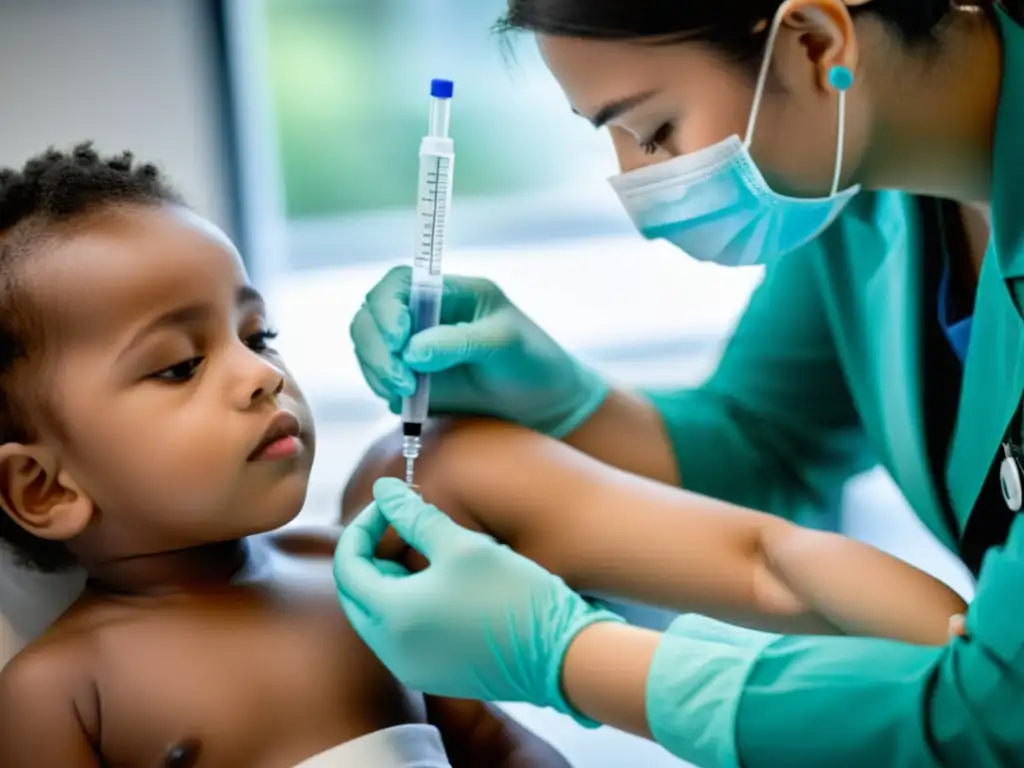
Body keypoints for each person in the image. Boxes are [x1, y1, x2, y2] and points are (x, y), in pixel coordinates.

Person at [337, 0, 1024, 765]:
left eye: (654, 131)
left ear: (814, 41)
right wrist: (563, 401)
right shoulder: (865, 195)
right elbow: (772, 452)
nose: (638, 189)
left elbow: (998, 715)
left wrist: (569, 658)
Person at [0, 145, 568, 768]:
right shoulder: (59, 690)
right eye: (180, 366)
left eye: (257, 336)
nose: (261, 374)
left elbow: (499, 745)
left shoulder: (356, 573)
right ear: (44, 489)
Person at [341, 418, 967, 644]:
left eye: (264, 337)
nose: (267, 377)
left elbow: (765, 562)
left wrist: (987, 677)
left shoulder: (430, 474)